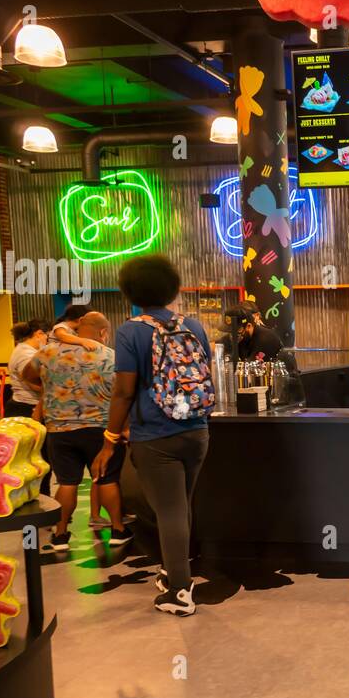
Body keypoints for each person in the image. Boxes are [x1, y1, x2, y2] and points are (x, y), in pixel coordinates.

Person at [93, 255, 212, 618]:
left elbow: (124, 391)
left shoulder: (131, 330)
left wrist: (110, 437)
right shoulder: (193, 325)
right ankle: (172, 571)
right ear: (173, 287)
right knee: (180, 506)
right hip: (196, 430)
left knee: (169, 510)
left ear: (129, 290)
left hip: (155, 435)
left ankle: (179, 591)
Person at [22, 311, 132, 552]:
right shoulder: (109, 356)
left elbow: (26, 375)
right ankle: (117, 530)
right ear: (103, 332)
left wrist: (50, 388)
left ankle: (60, 535)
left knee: (67, 483)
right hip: (99, 429)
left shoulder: (48, 353)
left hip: (59, 429)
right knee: (106, 479)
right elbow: (123, 393)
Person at [5, 320, 47, 419]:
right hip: (26, 407)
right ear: (39, 334)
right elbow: (35, 384)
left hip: (26, 405)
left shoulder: (26, 350)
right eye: (47, 337)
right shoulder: (26, 354)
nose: (48, 341)